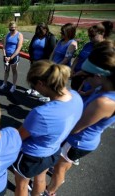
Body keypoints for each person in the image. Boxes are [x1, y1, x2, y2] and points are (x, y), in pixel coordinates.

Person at [46, 40, 115, 196]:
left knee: (59, 168)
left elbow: (77, 127)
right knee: (65, 163)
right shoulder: (103, 87)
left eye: (88, 75)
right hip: (83, 139)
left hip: (78, 140)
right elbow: (90, 93)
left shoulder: (104, 102)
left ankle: (50, 191)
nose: (85, 78)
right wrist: (83, 94)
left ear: (100, 75)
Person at [13, 60, 83, 196]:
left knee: (22, 184)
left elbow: (18, 137)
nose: (35, 89)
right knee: (40, 177)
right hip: (53, 151)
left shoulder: (41, 113)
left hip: (32, 155)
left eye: (34, 86)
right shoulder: (76, 97)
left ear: (40, 83)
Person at [71, 22, 112, 92]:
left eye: (93, 36)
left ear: (102, 33)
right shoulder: (88, 45)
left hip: (89, 82)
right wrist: (71, 70)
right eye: (89, 35)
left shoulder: (105, 49)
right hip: (77, 77)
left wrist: (80, 73)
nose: (90, 38)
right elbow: (78, 58)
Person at [26, 23, 56, 97]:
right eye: (38, 30)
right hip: (34, 59)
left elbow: (51, 50)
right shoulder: (36, 35)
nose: (39, 32)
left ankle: (38, 90)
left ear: (46, 29)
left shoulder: (50, 37)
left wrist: (42, 61)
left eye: (41, 31)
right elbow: (31, 47)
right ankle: (33, 88)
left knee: (40, 77)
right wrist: (31, 57)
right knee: (33, 75)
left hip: (43, 61)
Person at [0, 21, 23, 93]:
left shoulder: (19, 35)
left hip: (14, 56)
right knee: (6, 70)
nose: (12, 29)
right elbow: (4, 46)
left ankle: (14, 85)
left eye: (13, 28)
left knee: (14, 71)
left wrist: (11, 57)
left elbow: (19, 48)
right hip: (6, 55)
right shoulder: (7, 35)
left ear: (16, 27)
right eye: (11, 28)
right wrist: (4, 55)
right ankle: (5, 83)